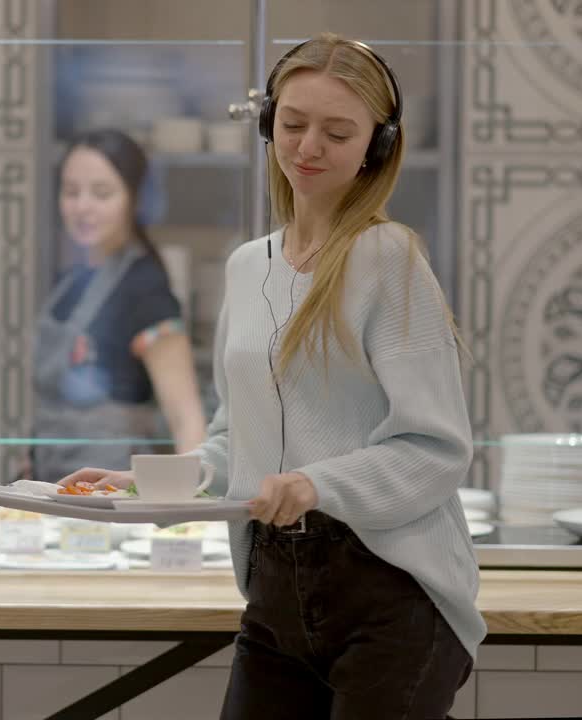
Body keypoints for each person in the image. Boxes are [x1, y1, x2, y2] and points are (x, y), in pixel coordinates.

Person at [60, 33, 483, 717]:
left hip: (392, 594)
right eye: (291, 124)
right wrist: (165, 480)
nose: (308, 147)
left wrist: (319, 483)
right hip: (275, 592)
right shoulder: (247, 266)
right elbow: (239, 433)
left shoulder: (389, 260)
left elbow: (435, 451)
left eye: (337, 132)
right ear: (267, 125)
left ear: (377, 146)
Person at [27, 129, 208, 484]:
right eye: (71, 192)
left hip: (108, 501)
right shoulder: (72, 281)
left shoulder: (146, 289)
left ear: (135, 199)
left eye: (102, 193)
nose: (82, 207)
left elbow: (185, 416)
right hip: (51, 487)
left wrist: (194, 503)